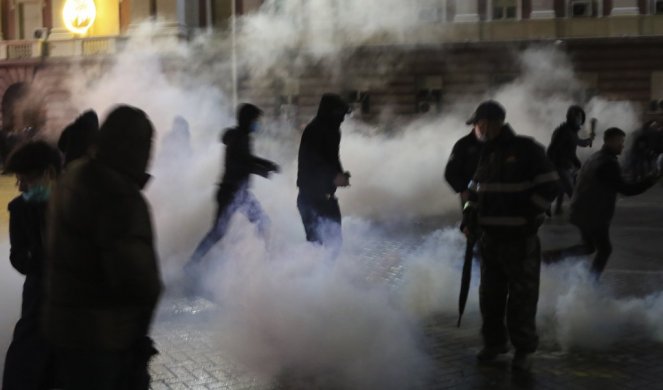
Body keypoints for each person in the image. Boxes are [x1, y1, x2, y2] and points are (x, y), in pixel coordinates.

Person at [44, 105, 162, 390]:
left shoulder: (72, 175)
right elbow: (136, 278)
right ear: (133, 148)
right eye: (146, 147)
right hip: (104, 338)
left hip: (63, 328)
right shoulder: (118, 195)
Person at [462, 101, 559, 371]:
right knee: (490, 298)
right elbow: (474, 191)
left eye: (479, 124)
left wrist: (529, 216)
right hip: (490, 240)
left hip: (519, 240)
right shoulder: (487, 153)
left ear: (492, 122)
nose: (477, 129)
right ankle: (494, 344)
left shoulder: (527, 150)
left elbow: (551, 185)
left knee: (522, 298)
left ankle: (523, 349)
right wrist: (469, 216)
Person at [185, 104, 279, 274]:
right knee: (219, 232)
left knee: (260, 223)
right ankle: (191, 266)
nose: (257, 124)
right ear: (247, 120)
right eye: (255, 120)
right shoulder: (239, 138)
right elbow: (245, 162)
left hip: (237, 193)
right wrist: (267, 167)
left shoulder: (240, 137)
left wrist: (266, 166)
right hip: (232, 193)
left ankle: (266, 262)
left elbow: (247, 161)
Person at [2, 141, 61, 390]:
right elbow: (17, 256)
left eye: (26, 178)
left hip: (70, 299)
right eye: (18, 179)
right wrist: (35, 259)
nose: (21, 186)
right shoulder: (19, 208)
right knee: (25, 362)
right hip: (38, 295)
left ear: (49, 173)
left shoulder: (74, 204)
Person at [569, 127, 659, 279]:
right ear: (610, 141)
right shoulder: (607, 163)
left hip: (581, 210)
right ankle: (591, 283)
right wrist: (652, 179)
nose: (623, 146)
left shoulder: (597, 157)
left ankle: (549, 258)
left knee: (588, 247)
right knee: (604, 249)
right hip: (592, 214)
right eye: (620, 142)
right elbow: (627, 189)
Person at [296, 93, 351, 253]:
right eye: (340, 114)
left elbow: (333, 158)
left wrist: (341, 174)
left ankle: (329, 277)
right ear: (331, 113)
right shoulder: (314, 131)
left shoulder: (334, 131)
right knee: (316, 247)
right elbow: (312, 163)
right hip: (310, 199)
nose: (342, 119)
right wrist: (333, 177)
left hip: (328, 200)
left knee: (335, 243)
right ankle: (311, 277)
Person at [546, 105, 595, 215]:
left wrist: (589, 140)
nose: (579, 120)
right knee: (570, 189)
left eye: (580, 118)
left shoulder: (569, 131)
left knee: (561, 188)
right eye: (577, 117)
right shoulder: (564, 132)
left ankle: (555, 208)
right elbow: (555, 150)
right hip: (559, 165)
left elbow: (578, 142)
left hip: (564, 165)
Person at [445, 123, 485, 207]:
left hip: (497, 197)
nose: (487, 128)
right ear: (475, 125)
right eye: (482, 124)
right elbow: (450, 173)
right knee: (471, 218)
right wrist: (463, 190)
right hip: (471, 197)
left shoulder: (499, 143)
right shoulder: (463, 145)